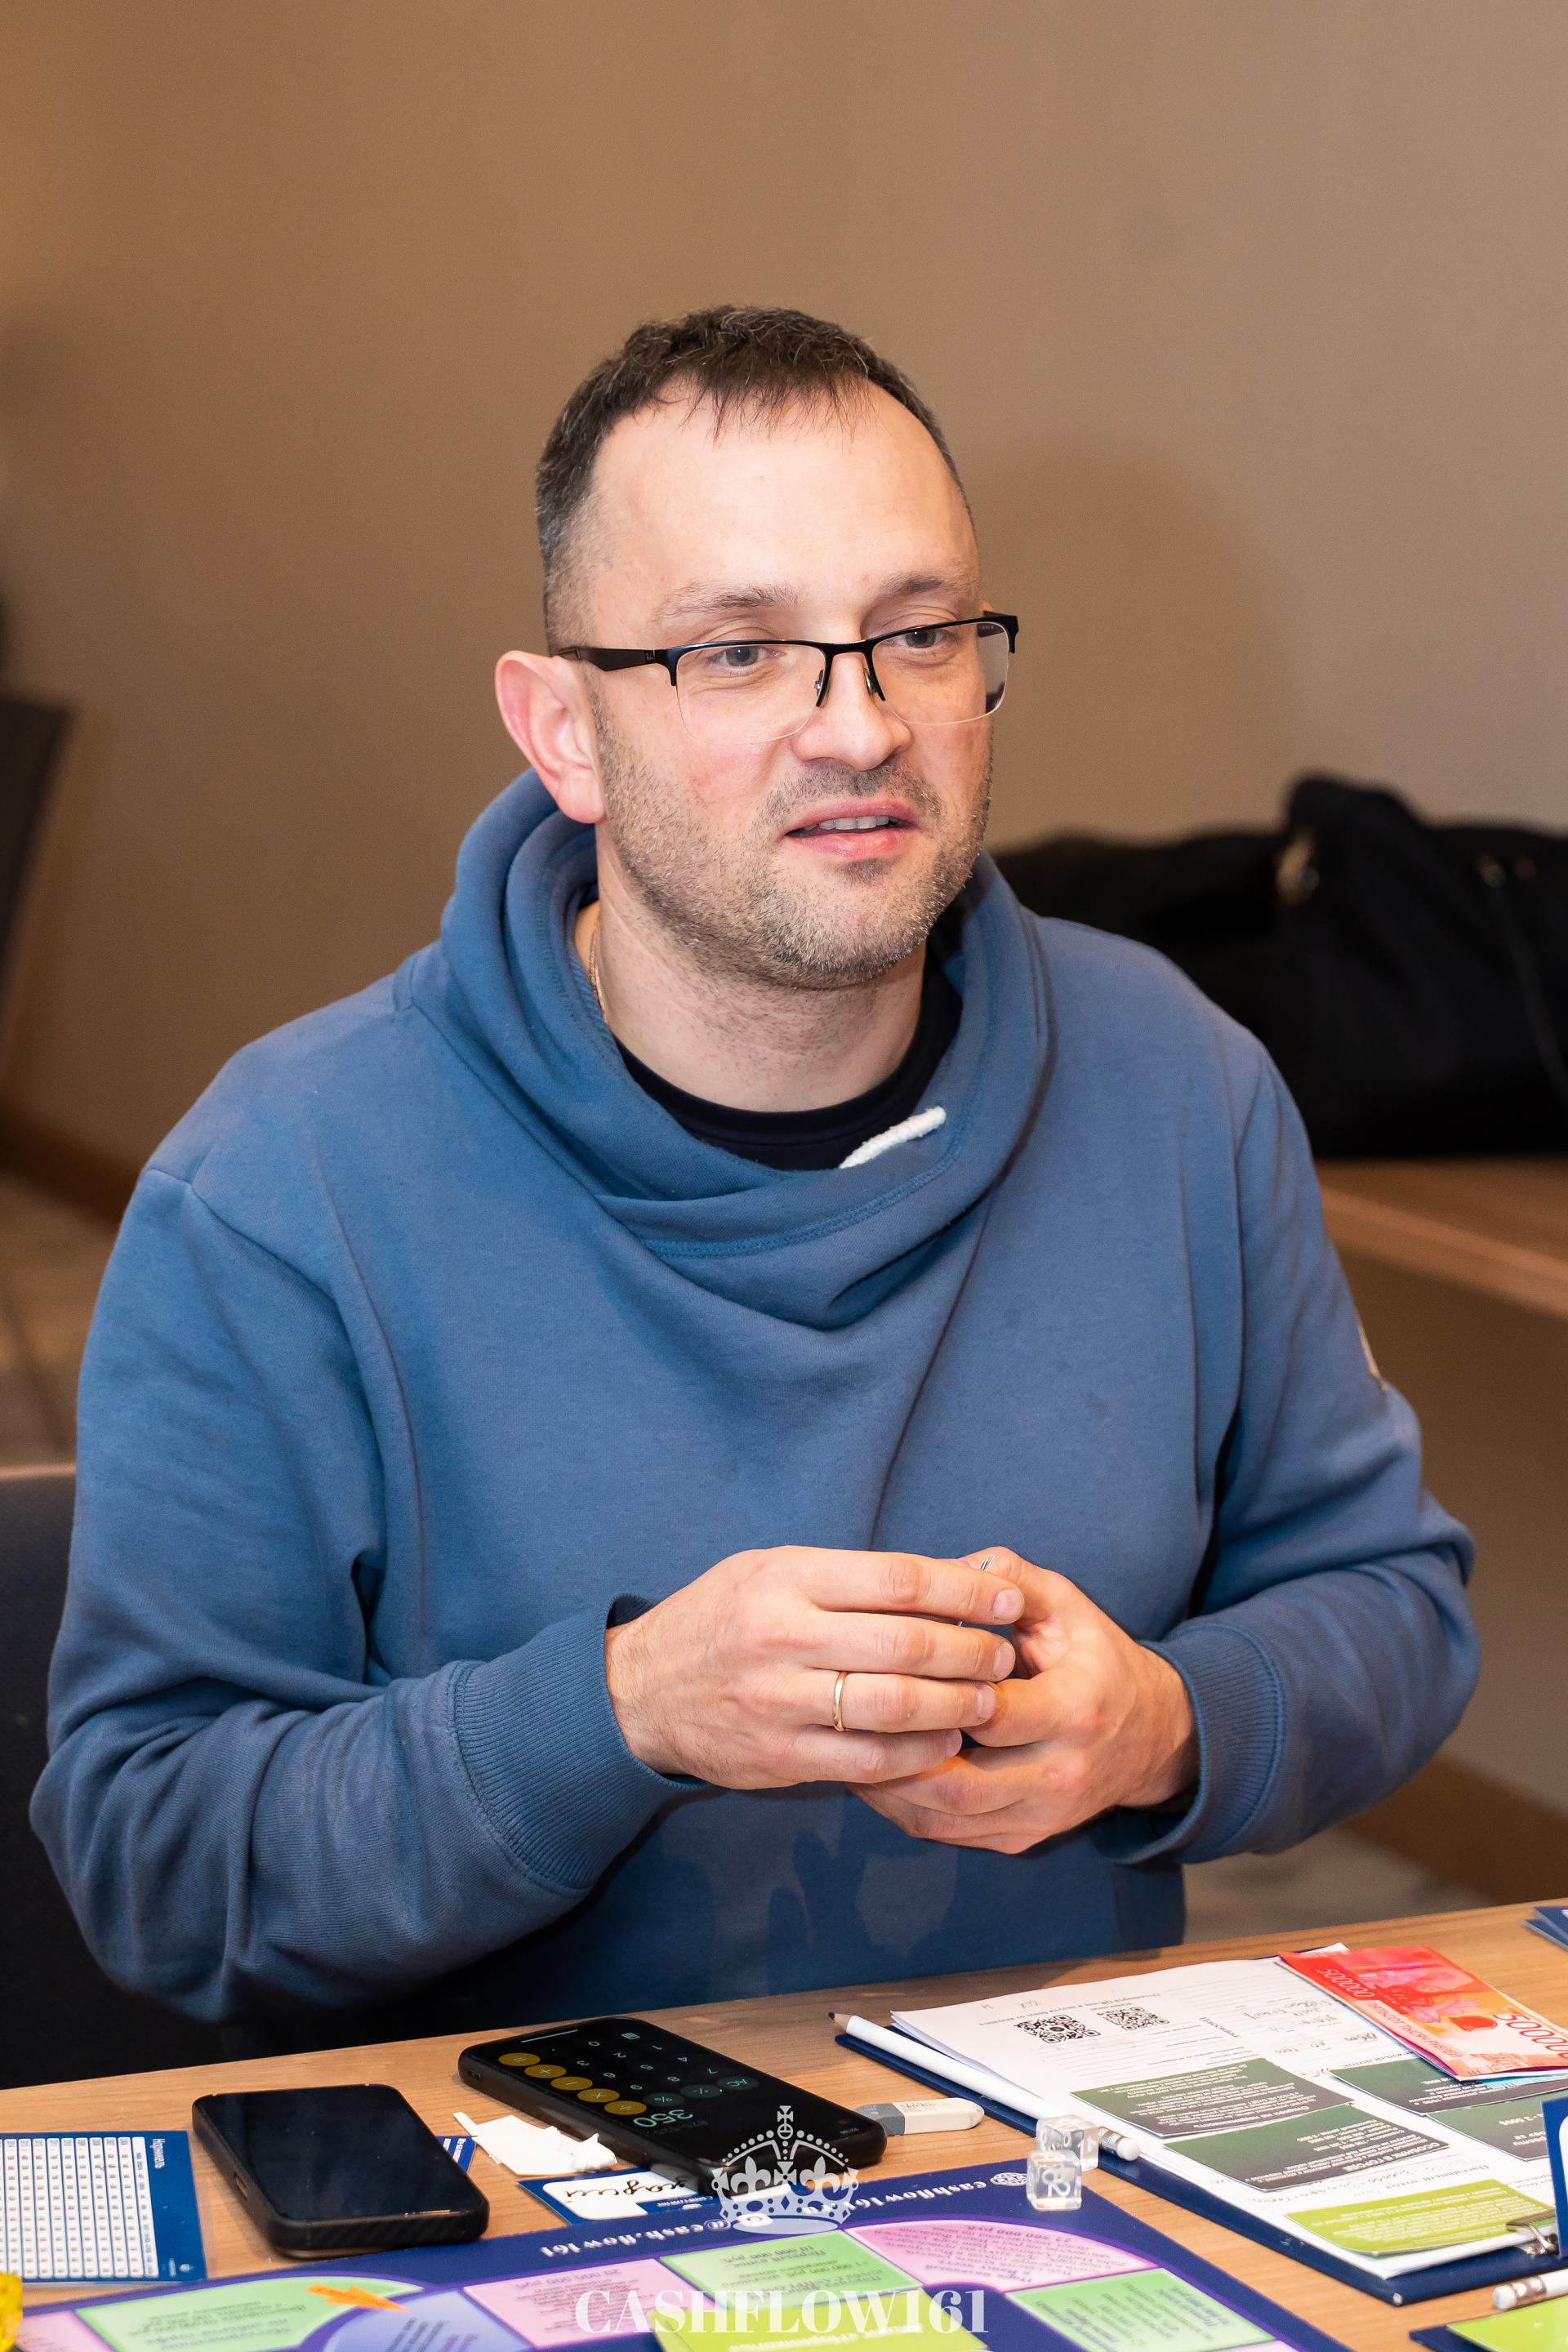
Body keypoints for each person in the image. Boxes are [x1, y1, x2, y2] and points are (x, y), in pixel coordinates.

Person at [36, 306, 1477, 2048]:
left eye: (917, 634)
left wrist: (1165, 1723)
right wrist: (623, 1710)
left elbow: (1393, 1607)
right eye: (737, 651)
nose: (857, 727)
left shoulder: (1178, 1083)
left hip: (1040, 2131)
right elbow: (159, 1862)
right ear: (563, 731)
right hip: (498, 2161)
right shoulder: (283, 1186)